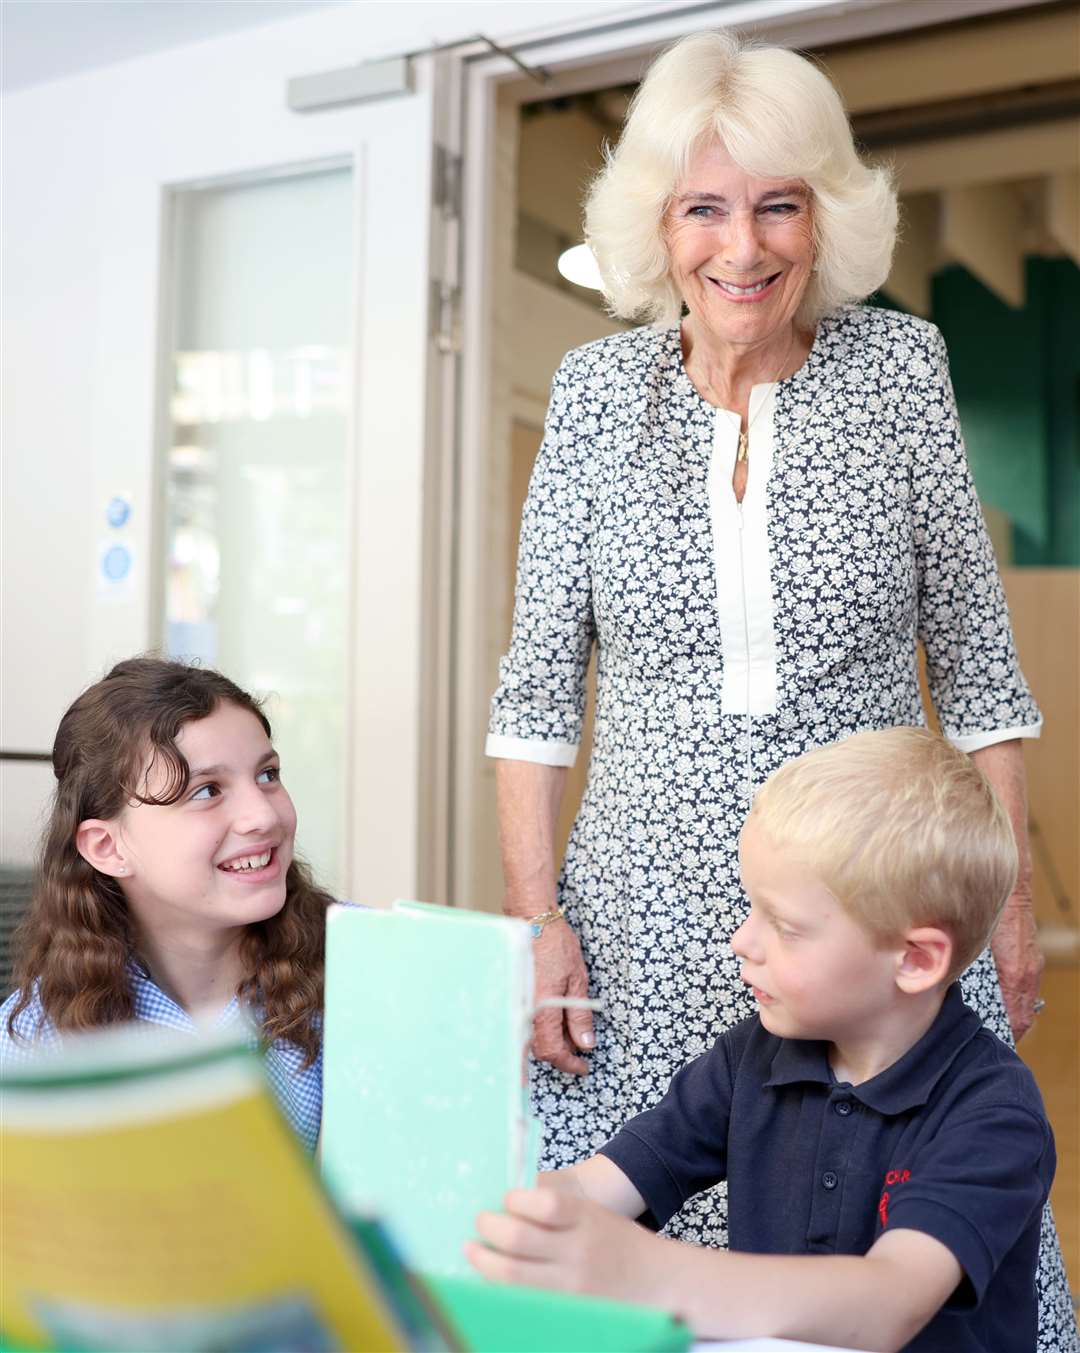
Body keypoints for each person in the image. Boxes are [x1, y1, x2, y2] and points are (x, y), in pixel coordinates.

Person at [485, 28, 1075, 1348]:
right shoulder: (593, 395)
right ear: (658, 225)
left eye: (778, 204)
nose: (740, 247)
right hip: (639, 916)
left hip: (875, 904)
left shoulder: (902, 371)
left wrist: (1015, 911)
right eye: (704, 206)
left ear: (828, 216)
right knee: (645, 1229)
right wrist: (539, 919)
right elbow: (535, 691)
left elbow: (979, 666)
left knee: (895, 1246)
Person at [468, 729, 1056, 1352]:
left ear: (914, 960)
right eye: (753, 911)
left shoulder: (993, 1113)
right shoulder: (750, 1059)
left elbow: (891, 1301)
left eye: (785, 926)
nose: (742, 942)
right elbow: (595, 1187)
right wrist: (493, 1208)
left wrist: (647, 1273)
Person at [1, 656, 330, 1153]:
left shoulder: (372, 970)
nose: (262, 815)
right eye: (206, 791)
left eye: (267, 775)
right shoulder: (31, 1044)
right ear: (107, 847)